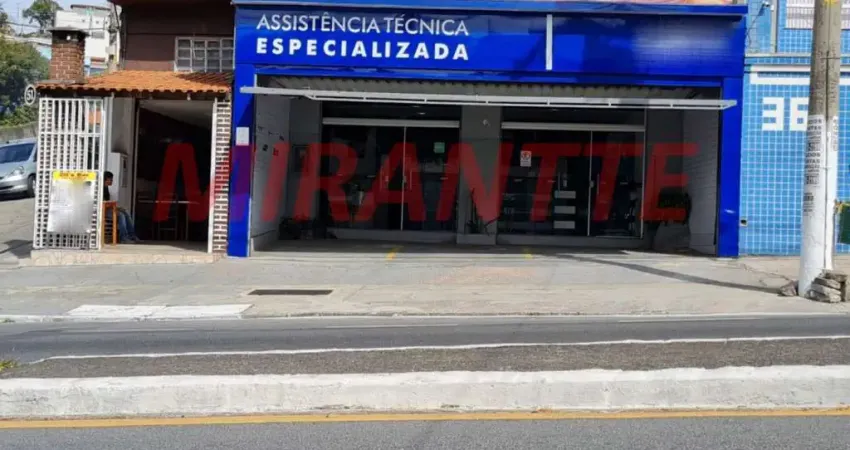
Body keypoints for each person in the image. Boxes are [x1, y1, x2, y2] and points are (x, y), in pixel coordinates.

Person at [103, 171, 140, 243]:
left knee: (125, 211)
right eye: (110, 179)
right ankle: (124, 238)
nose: (112, 181)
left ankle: (132, 236)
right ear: (105, 179)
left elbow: (107, 202)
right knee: (121, 215)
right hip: (103, 210)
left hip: (108, 208)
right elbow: (103, 203)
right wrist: (113, 207)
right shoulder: (100, 188)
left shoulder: (106, 188)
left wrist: (116, 207)